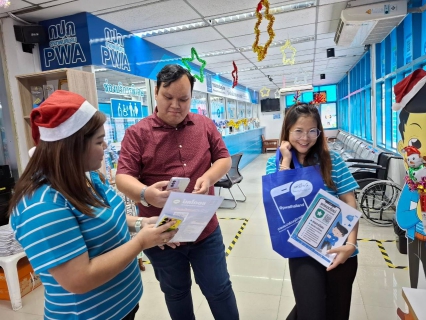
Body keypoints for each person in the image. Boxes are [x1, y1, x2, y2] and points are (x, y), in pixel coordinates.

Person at [8, 90, 178, 320]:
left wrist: (141, 223)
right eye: (99, 141)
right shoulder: (41, 206)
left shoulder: (87, 176)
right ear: (72, 147)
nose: (106, 146)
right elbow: (79, 279)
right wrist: (141, 242)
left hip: (122, 307)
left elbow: (102, 217)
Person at [115, 64, 239, 320]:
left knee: (219, 289)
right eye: (168, 97)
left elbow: (224, 159)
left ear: (191, 97)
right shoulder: (137, 133)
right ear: (156, 92)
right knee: (177, 293)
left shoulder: (204, 125)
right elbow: (122, 177)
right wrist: (145, 193)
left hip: (204, 228)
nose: (176, 105)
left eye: (183, 99)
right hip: (163, 232)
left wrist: (208, 176)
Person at [266, 103, 359, 320]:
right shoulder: (275, 164)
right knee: (311, 312)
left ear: (319, 131)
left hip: (339, 248)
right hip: (303, 252)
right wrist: (286, 162)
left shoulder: (332, 160)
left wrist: (350, 244)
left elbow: (349, 202)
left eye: (312, 131)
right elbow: (277, 203)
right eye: (298, 131)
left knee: (337, 313)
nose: (305, 138)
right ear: (287, 131)